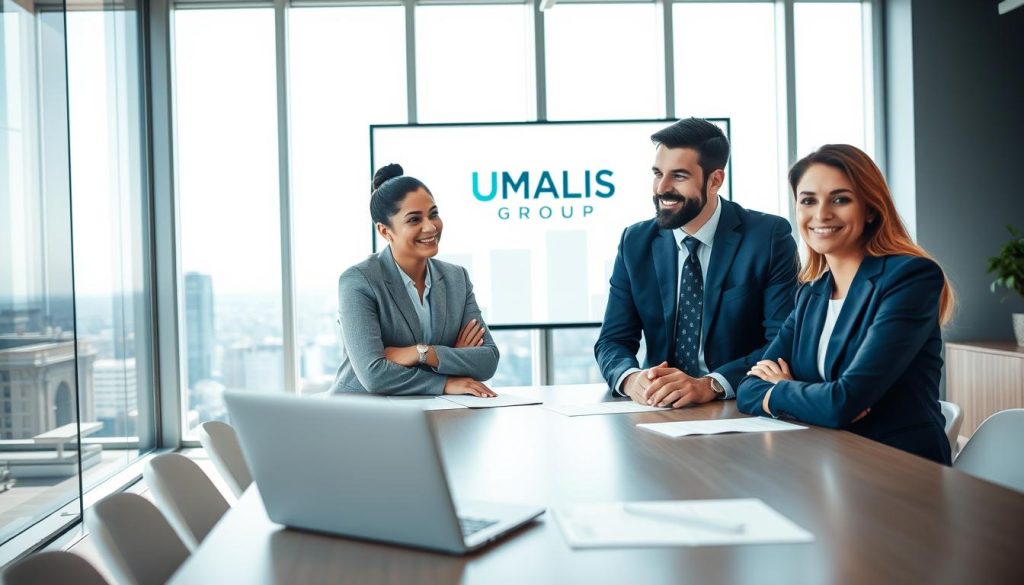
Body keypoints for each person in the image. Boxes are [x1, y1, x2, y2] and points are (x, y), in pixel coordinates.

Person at [737, 144, 954, 465]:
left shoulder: (910, 278)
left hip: (899, 467)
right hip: (824, 460)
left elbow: (843, 403)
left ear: (869, 209)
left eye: (840, 199)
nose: (821, 214)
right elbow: (747, 388)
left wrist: (783, 388)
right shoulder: (811, 294)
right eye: (808, 200)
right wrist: (808, 395)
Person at [595, 118, 799, 408]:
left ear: (715, 180)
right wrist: (631, 379)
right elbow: (612, 340)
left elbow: (782, 340)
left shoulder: (767, 237)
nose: (661, 188)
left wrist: (712, 384)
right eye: (657, 173)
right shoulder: (635, 241)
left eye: (678, 176)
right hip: (658, 406)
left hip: (736, 406)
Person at [329, 164, 499, 397]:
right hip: (361, 414)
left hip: (432, 411)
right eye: (414, 220)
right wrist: (447, 379)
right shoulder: (359, 281)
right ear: (384, 231)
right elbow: (374, 375)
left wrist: (423, 353)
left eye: (433, 214)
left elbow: (487, 360)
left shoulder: (456, 278)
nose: (430, 227)